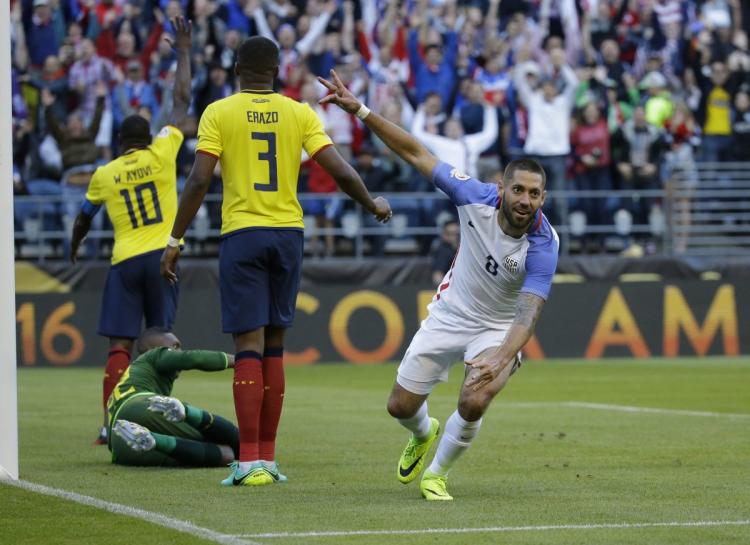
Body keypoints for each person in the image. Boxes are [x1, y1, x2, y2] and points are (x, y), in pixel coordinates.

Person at [160, 36, 392, 487]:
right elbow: (340, 170)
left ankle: (248, 462)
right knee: (275, 347)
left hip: (243, 233)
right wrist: (372, 204)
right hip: (289, 233)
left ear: (235, 68)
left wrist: (175, 239)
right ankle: (268, 457)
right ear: (279, 69)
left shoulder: (219, 112)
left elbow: (198, 181)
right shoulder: (299, 112)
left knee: (248, 344)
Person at [318, 69, 559, 501]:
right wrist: (363, 111)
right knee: (400, 407)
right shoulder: (472, 195)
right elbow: (416, 152)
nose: (526, 201)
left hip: (499, 327)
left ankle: (437, 474)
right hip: (451, 312)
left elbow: (529, 309)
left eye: (535, 194)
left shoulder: (544, 242)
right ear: (501, 188)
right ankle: (424, 431)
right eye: (519, 190)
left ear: (543, 198)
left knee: (474, 399)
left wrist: (503, 356)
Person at [69, 17, 193, 445]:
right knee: (159, 341)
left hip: (123, 263)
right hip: (162, 256)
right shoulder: (162, 154)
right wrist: (183, 52)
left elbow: (84, 216)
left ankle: (110, 423)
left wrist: (75, 243)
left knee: (119, 346)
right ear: (147, 137)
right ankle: (159, 414)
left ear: (121, 141)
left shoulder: (104, 173)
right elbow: (180, 101)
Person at [109, 327, 243, 469]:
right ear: (152, 349)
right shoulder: (153, 356)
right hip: (141, 406)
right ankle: (187, 413)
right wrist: (243, 361)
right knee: (233, 440)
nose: (179, 351)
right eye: (174, 347)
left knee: (225, 455)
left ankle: (153, 440)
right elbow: (194, 358)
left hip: (121, 442)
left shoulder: (134, 376)